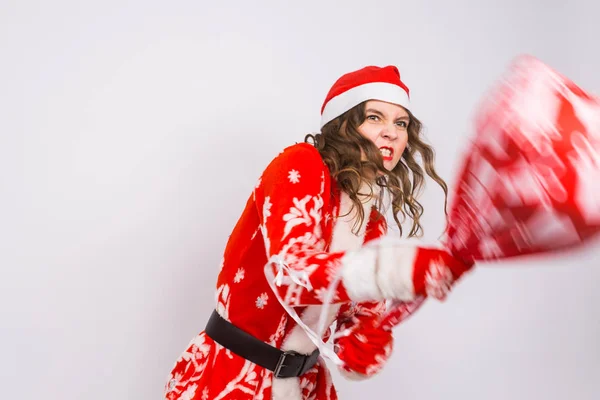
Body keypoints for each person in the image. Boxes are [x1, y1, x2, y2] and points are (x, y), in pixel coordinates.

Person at [164, 65, 473, 400]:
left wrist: (365, 345)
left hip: (308, 386)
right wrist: (395, 270)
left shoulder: (372, 224)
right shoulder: (300, 165)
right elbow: (291, 274)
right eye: (374, 117)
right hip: (231, 379)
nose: (392, 133)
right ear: (344, 123)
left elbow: (354, 324)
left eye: (401, 123)